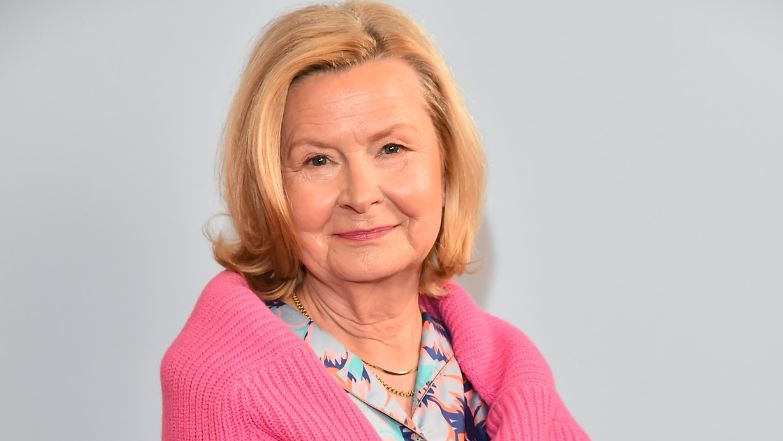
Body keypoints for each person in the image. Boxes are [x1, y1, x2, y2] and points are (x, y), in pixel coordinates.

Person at [160, 1, 590, 440]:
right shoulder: (222, 388)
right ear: (270, 188)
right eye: (318, 160)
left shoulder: (513, 369)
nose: (361, 195)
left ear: (445, 168)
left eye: (391, 149)